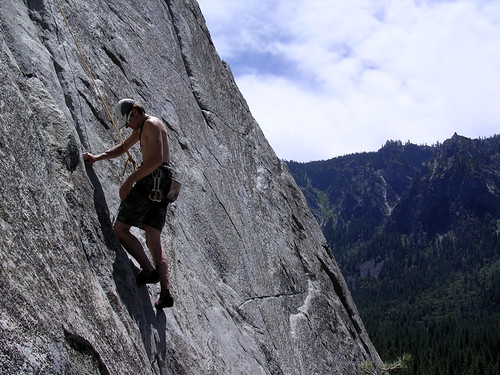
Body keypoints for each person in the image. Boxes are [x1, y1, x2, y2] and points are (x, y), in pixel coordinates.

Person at [83, 99, 174, 309]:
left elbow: (156, 160)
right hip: (164, 184)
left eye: (129, 122)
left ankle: (149, 271)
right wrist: (98, 157)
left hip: (152, 179)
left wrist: (129, 181)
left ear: (135, 112)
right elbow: (123, 147)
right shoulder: (144, 127)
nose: (129, 127)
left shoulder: (150, 124)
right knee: (153, 238)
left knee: (120, 228)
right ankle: (166, 293)